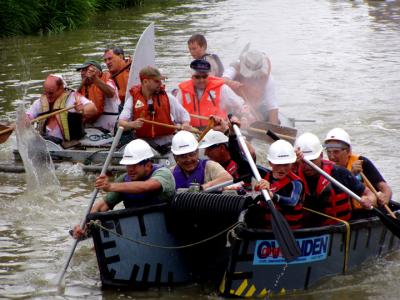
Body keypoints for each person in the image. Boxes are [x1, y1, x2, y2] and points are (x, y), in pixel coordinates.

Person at [72, 139, 176, 239]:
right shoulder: (124, 180)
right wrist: (84, 223)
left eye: (135, 165)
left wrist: (111, 186)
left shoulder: (163, 173)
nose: (130, 169)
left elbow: (146, 186)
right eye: (128, 165)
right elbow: (101, 206)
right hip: (137, 230)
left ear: (148, 165)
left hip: (165, 228)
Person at [294, 132, 377, 225]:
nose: (307, 166)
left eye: (312, 161)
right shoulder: (292, 175)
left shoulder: (339, 172)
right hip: (305, 229)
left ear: (321, 156)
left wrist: (369, 200)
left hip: (338, 229)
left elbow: (370, 194)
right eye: (303, 162)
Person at [118, 66, 191, 145]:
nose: (160, 83)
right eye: (157, 81)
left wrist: (185, 124)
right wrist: (131, 125)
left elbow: (184, 115)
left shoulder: (168, 97)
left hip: (167, 143)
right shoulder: (132, 100)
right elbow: (121, 123)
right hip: (144, 144)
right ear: (145, 82)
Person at [324, 128, 392, 209]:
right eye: (328, 151)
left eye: (336, 152)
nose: (331, 157)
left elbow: (385, 188)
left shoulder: (362, 163)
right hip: (344, 216)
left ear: (348, 151)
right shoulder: (324, 169)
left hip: (367, 211)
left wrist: (385, 197)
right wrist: (351, 174)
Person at [26, 74, 97, 145]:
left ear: (61, 88)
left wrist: (82, 110)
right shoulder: (40, 102)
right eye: (45, 92)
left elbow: (93, 108)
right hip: (47, 142)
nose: (47, 96)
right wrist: (20, 123)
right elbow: (28, 116)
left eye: (51, 93)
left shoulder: (74, 97)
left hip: (69, 144)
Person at [176, 59, 244, 128]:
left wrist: (242, 118)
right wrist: (181, 124)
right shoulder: (183, 91)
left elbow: (240, 106)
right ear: (191, 76)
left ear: (208, 75)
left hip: (217, 129)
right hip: (191, 130)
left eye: (204, 77)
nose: (201, 80)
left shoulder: (222, 88)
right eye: (197, 77)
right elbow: (175, 112)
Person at [223, 48, 279, 125]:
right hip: (234, 108)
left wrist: (274, 128)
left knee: (263, 118)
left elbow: (272, 105)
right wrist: (231, 82)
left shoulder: (268, 79)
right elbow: (222, 80)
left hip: (256, 108)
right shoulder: (234, 68)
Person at [256, 140, 304, 229]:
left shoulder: (296, 183)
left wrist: (272, 196)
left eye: (286, 165)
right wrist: (232, 135)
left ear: (292, 164)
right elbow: (241, 160)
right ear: (270, 162)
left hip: (291, 232)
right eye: (278, 164)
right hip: (267, 230)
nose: (282, 169)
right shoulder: (263, 175)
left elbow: (292, 201)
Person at [76, 60, 120, 133]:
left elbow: (111, 93)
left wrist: (95, 79)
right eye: (82, 70)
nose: (83, 73)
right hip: (91, 128)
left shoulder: (108, 79)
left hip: (110, 128)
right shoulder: (83, 87)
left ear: (98, 72)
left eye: (86, 70)